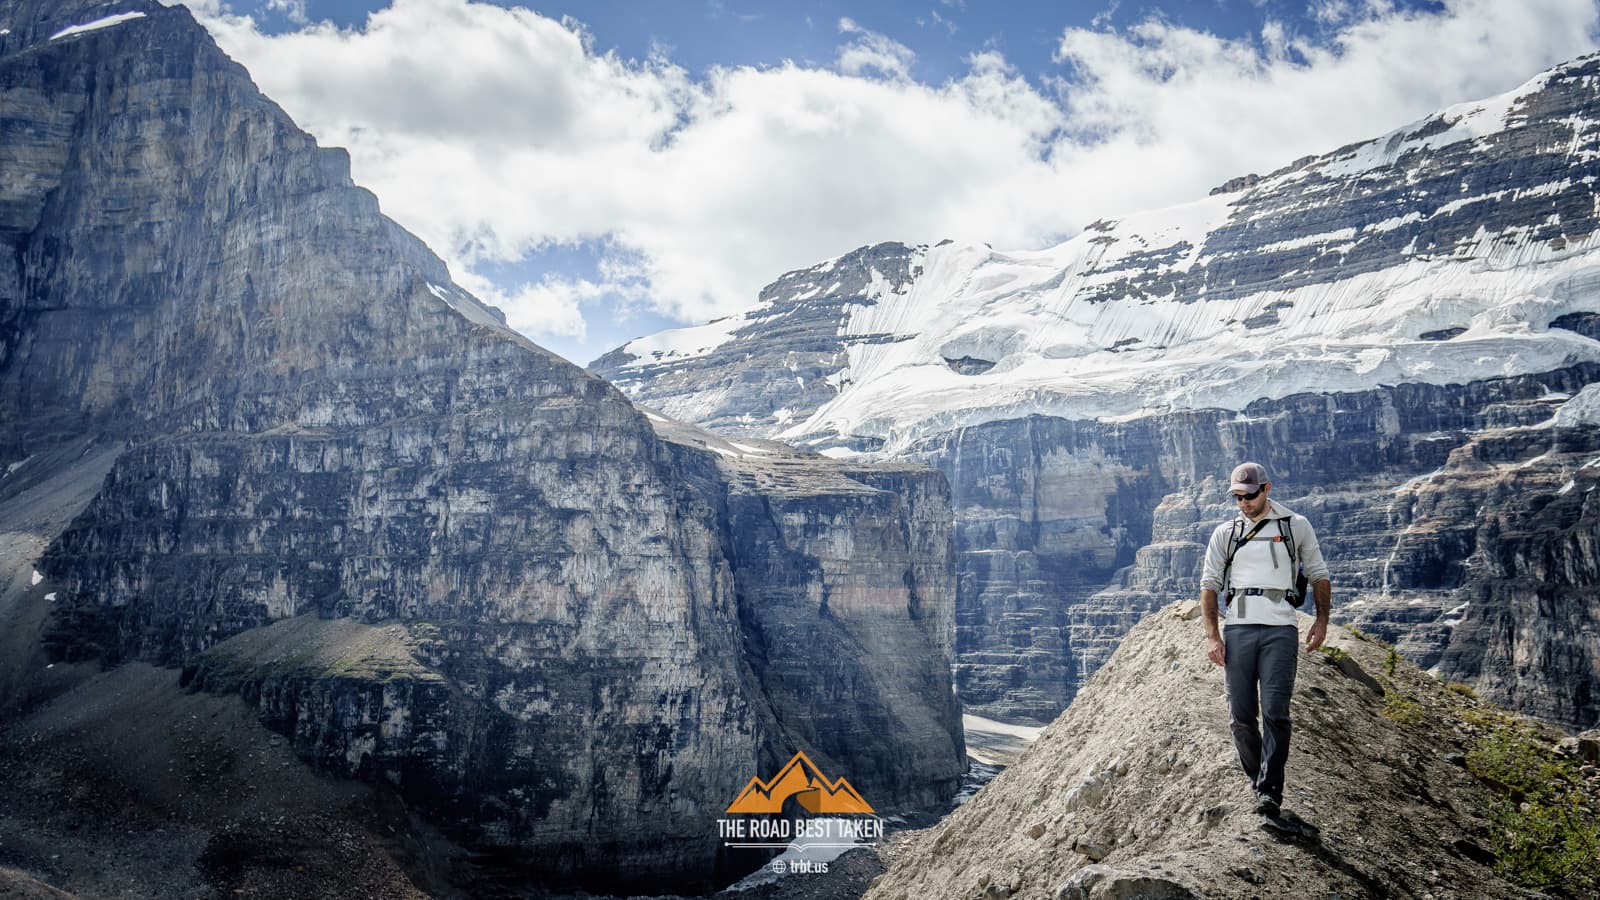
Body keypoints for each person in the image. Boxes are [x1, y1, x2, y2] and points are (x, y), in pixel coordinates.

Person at [1199, 462, 1331, 822]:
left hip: (1280, 630)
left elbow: (1318, 575)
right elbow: (1209, 585)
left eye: (1249, 495)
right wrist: (1213, 636)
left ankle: (1270, 792)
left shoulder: (1295, 526)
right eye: (1237, 497)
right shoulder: (1225, 533)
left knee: (1275, 712)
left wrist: (1321, 621)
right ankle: (1258, 782)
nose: (1243, 502)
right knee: (1240, 717)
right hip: (1239, 629)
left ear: (1266, 489)